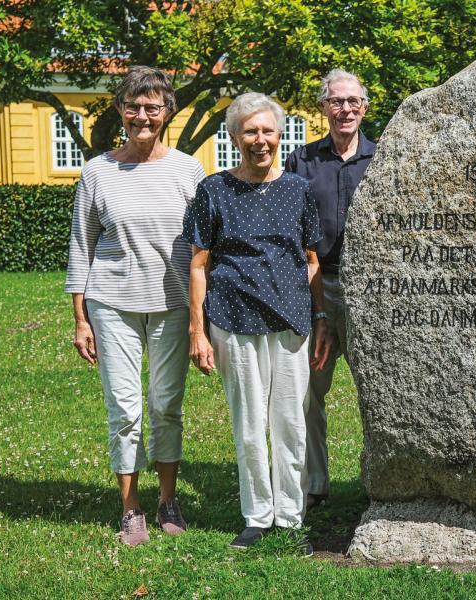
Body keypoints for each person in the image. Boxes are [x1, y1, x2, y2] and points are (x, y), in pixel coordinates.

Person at [65, 66, 206, 547]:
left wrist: (200, 318)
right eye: (133, 106)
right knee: (124, 409)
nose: (142, 115)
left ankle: (167, 499)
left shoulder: (189, 170)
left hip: (171, 303)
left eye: (152, 107)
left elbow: (204, 248)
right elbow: (81, 246)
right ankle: (131, 508)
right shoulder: (97, 171)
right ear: (120, 111)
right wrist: (80, 317)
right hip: (111, 302)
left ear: (167, 112)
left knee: (166, 405)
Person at [184, 92, 329, 552]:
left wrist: (320, 314)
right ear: (234, 137)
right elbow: (198, 264)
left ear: (279, 135)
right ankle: (256, 516)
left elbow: (311, 258)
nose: (260, 140)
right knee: (249, 424)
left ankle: (290, 517)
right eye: (250, 131)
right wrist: (197, 331)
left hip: (290, 323)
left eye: (268, 131)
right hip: (233, 319)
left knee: (290, 423)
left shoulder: (299, 190)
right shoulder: (213, 190)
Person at [283, 68, 376, 511]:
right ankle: (313, 485)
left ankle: (381, 480)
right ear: (323, 108)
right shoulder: (301, 162)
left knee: (378, 390)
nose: (345, 109)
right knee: (307, 389)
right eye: (336, 101)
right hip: (315, 288)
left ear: (365, 107)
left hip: (368, 292)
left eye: (352, 101)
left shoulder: (384, 158)